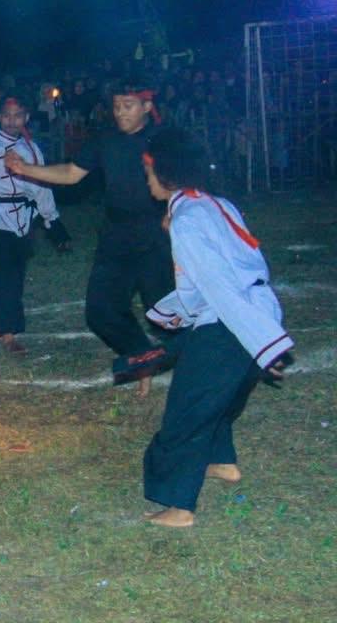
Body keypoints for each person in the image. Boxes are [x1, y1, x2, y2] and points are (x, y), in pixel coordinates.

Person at [140, 128, 293, 527]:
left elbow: (218, 287)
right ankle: (221, 461)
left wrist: (265, 344)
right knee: (218, 395)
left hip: (232, 322)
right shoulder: (215, 204)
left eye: (149, 171)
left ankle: (178, 507)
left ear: (164, 172)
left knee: (187, 410)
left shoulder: (186, 220)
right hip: (256, 309)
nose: (147, 179)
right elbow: (235, 266)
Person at [6, 80, 169, 394]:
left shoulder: (163, 140)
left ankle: (210, 359)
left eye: (128, 106)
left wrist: (176, 213)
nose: (120, 113)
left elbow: (190, 180)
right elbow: (71, 173)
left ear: (147, 107)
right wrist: (25, 169)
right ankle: (141, 355)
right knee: (100, 310)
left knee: (167, 311)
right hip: (116, 235)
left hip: (156, 234)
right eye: (117, 106)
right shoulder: (106, 140)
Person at [0, 95, 71, 353]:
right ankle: (10, 332)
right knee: (5, 274)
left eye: (18, 116)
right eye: (7, 115)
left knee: (15, 275)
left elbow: (40, 186)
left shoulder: (31, 150)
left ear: (26, 117)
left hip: (22, 220)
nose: (12, 121)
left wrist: (52, 220)